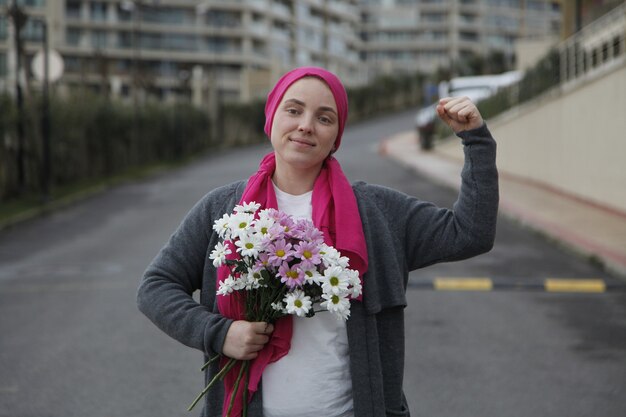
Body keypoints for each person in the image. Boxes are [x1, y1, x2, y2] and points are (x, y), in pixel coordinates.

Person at [137, 66, 498, 417]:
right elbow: (155, 287)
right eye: (293, 110)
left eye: (324, 118)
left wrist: (476, 141)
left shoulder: (378, 213)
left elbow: (469, 234)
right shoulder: (223, 209)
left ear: (336, 136)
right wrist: (219, 332)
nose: (306, 125)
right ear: (271, 116)